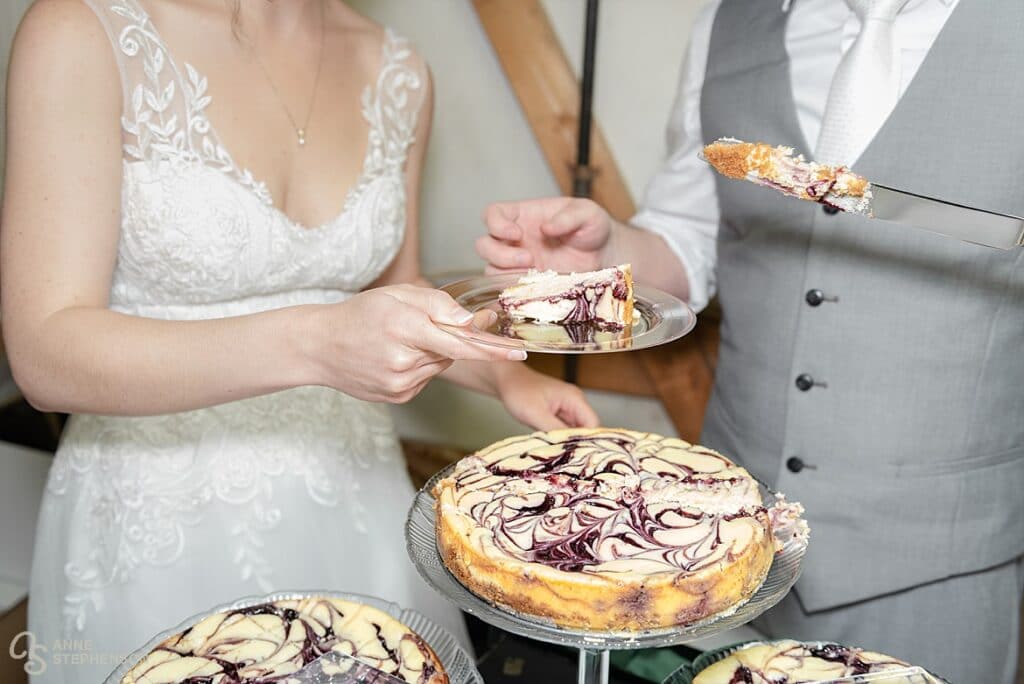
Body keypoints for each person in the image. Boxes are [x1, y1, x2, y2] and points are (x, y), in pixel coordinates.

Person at [0, 0, 599, 682]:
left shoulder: (397, 68)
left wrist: (506, 375)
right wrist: (314, 341)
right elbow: (45, 351)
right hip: (156, 521)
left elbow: (391, 287)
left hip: (354, 497)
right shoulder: (81, 30)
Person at [477, 1, 1024, 682]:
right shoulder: (725, 25)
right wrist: (610, 248)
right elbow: (688, 239)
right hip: (721, 540)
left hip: (944, 571)